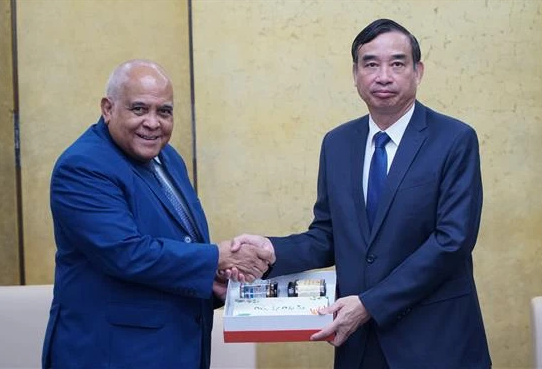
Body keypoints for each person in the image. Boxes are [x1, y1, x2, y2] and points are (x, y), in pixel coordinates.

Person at [233, 19, 491, 368]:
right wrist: (271, 250)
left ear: (418, 71)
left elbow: (452, 242)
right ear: (355, 74)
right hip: (360, 348)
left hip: (436, 343)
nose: (383, 76)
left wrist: (369, 304)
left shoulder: (454, 140)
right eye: (370, 64)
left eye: (397, 63)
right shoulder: (338, 144)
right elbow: (327, 235)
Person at [41, 59, 274, 369]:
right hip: (111, 355)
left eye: (164, 111)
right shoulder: (83, 166)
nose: (153, 123)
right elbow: (126, 252)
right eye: (139, 109)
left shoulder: (167, 156)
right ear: (108, 108)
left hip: (173, 348)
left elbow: (179, 241)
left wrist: (210, 280)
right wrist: (217, 257)